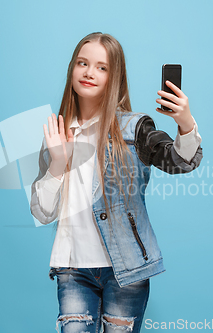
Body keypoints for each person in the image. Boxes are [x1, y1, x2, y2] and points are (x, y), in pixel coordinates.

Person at [30, 32, 203, 333]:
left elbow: (179, 162)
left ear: (115, 77)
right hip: (72, 270)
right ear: (72, 68)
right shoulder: (58, 133)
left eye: (101, 67)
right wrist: (58, 162)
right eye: (82, 63)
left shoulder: (134, 128)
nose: (89, 72)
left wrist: (185, 123)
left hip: (126, 271)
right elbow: (42, 213)